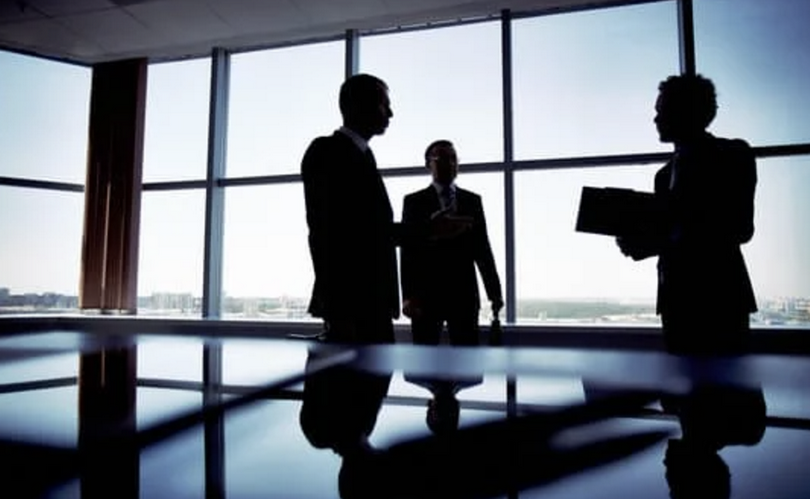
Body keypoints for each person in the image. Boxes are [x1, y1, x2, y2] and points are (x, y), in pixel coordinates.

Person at [616, 74, 758, 355]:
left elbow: (740, 228)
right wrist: (640, 243)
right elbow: (678, 231)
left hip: (719, 298)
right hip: (677, 300)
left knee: (726, 392)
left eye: (662, 111)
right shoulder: (664, 175)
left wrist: (654, 241)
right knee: (690, 392)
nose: (655, 119)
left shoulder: (733, 155)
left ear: (686, 113)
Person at [301, 73, 400, 344]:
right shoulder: (327, 152)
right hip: (352, 310)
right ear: (359, 106)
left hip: (371, 305)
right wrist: (338, 313)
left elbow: (371, 232)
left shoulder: (363, 155)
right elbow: (325, 236)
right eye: (384, 104)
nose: (390, 113)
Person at [400, 139, 504, 346]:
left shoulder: (472, 201)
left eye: (454, 158)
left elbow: (482, 249)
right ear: (428, 164)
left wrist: (495, 293)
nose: (450, 163)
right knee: (424, 365)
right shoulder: (414, 202)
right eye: (443, 158)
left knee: (467, 364)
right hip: (425, 296)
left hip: (463, 294)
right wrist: (408, 296)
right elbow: (407, 251)